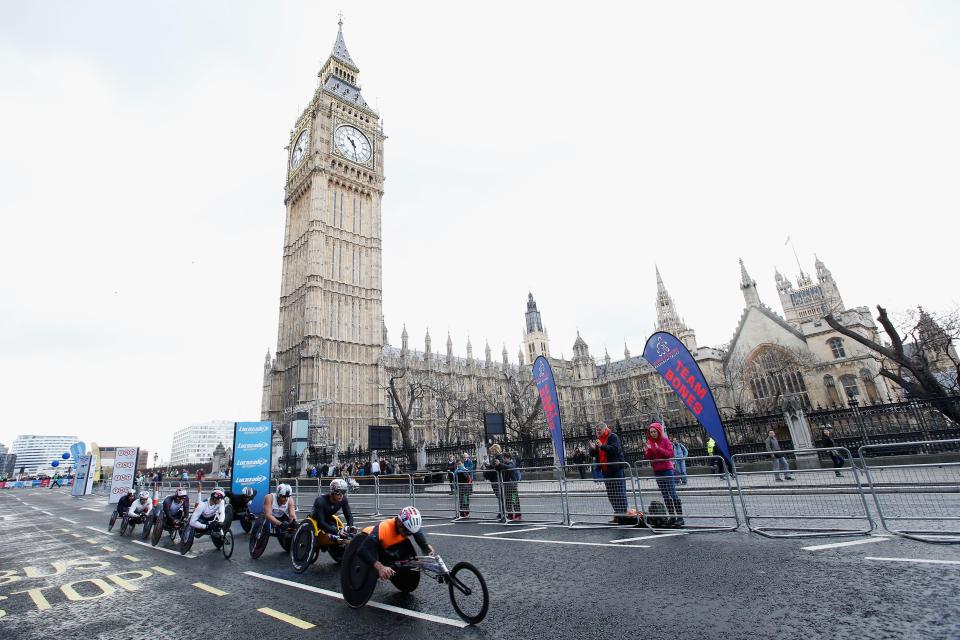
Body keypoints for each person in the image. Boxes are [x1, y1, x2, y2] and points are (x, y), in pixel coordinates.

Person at [357, 507, 435, 581]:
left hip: (388, 544)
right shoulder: (384, 528)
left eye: (410, 533)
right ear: (399, 522)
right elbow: (362, 550)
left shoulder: (408, 527)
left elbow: (417, 534)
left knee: (406, 543)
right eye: (407, 531)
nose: (408, 534)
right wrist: (380, 567)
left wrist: (425, 546)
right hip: (368, 538)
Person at [644, 422, 684, 527]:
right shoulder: (649, 442)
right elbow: (648, 457)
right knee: (665, 495)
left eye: (654, 431)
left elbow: (670, 454)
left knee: (672, 493)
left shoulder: (665, 440)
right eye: (651, 432)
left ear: (658, 431)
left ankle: (680, 518)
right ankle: (672, 517)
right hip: (657, 470)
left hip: (667, 469)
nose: (652, 433)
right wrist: (648, 450)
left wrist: (658, 448)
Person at [590, 422, 627, 521]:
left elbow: (615, 449)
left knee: (619, 492)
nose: (597, 432)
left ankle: (623, 514)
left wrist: (602, 446)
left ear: (604, 429)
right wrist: (593, 449)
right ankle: (617, 514)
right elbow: (595, 455)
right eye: (596, 430)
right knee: (611, 494)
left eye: (599, 430)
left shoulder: (612, 437)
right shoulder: (598, 440)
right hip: (605, 469)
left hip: (615, 469)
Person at [483, 444, 504, 521]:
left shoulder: (499, 457)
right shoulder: (496, 457)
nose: (491, 452)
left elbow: (496, 467)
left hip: (497, 479)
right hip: (494, 480)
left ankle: (503, 512)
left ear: (495, 450)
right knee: (499, 497)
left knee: (501, 497)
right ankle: (502, 511)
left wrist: (489, 467)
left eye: (492, 450)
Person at [501, 451, 521, 521]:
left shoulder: (512, 463)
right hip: (507, 485)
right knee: (508, 501)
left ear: (507, 458)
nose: (503, 460)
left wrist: (501, 465)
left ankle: (518, 515)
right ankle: (510, 515)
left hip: (512, 485)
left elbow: (509, 467)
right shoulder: (505, 464)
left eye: (504, 458)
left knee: (514, 500)